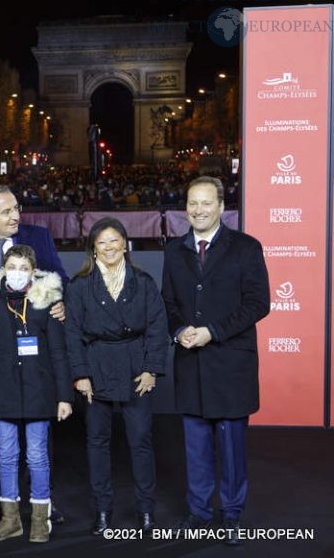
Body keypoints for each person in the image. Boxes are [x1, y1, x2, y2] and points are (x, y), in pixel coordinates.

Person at [162, 176, 270, 546]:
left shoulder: (246, 247)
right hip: (190, 363)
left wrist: (213, 331)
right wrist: (178, 331)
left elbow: (258, 304)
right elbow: (169, 303)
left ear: (222, 207)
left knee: (231, 447)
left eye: (206, 203)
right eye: (193, 203)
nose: (198, 210)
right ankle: (199, 511)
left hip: (230, 363)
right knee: (194, 445)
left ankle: (233, 514)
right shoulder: (174, 250)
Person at [0, 183, 68, 524]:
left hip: (35, 360)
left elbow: (60, 279)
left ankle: (43, 503)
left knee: (39, 439)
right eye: (6, 211)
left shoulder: (39, 237)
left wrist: (59, 301)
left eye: (16, 208)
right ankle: (2, 503)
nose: (15, 216)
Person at [64, 217, 168, 536]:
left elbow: (157, 327)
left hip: (137, 367)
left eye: (114, 240)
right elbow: (72, 332)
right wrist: (80, 375)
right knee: (97, 443)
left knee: (141, 442)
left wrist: (151, 369)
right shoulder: (80, 285)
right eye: (102, 242)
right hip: (96, 368)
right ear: (93, 249)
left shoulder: (143, 281)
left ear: (125, 243)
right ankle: (103, 511)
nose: (109, 247)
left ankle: (146, 510)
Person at [0, 245, 72, 543]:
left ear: (33, 271)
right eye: (12, 266)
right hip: (1, 393)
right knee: (6, 455)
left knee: (38, 456)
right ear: (3, 270)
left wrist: (64, 396)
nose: (17, 273)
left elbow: (58, 353)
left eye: (23, 267)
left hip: (40, 393)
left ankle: (41, 519)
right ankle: (10, 519)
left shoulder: (47, 303)